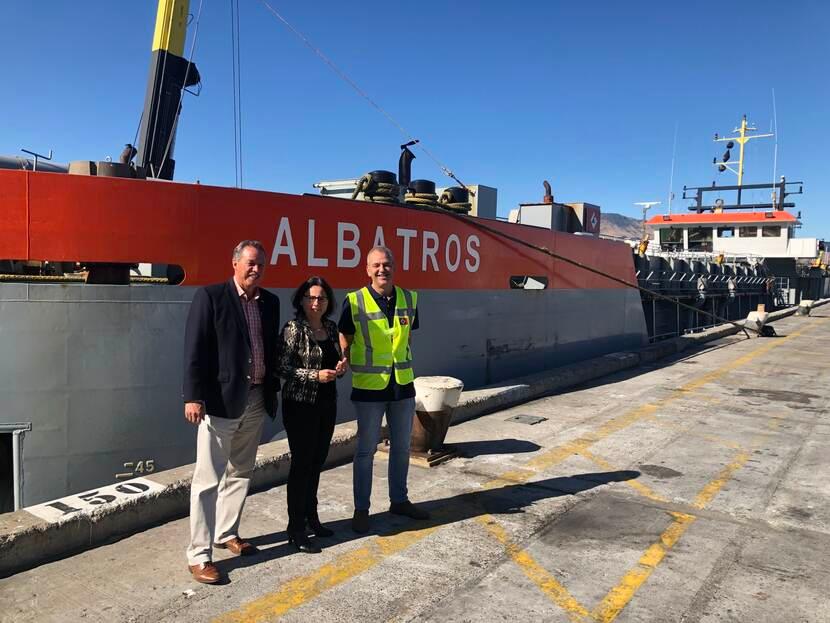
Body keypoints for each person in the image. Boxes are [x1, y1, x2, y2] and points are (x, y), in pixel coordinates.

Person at [182, 240, 280, 584]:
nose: (256, 269)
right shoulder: (211, 297)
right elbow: (195, 349)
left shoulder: (270, 302)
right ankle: (199, 555)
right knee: (207, 480)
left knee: (241, 471)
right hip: (221, 402)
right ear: (235, 262)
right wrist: (193, 397)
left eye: (261, 265)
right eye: (251, 263)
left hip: (255, 399)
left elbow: (270, 348)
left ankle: (227, 533)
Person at [339, 246, 430, 534]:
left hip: (401, 386)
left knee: (402, 448)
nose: (382, 270)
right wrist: (345, 358)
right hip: (368, 388)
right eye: (376, 265)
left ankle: (399, 500)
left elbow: (406, 341)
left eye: (387, 264)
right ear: (367, 270)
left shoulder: (409, 298)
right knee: (366, 451)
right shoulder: (354, 301)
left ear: (394, 267)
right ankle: (361, 509)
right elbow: (345, 334)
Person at [277, 276, 346, 553]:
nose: (316, 303)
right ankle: (295, 528)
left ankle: (311, 518)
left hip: (326, 404)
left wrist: (340, 368)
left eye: (322, 298)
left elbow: (334, 359)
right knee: (301, 465)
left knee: (317, 462)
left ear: (328, 302)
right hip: (300, 406)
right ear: (302, 300)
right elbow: (281, 368)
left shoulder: (330, 327)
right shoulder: (293, 328)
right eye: (311, 297)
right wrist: (314, 375)